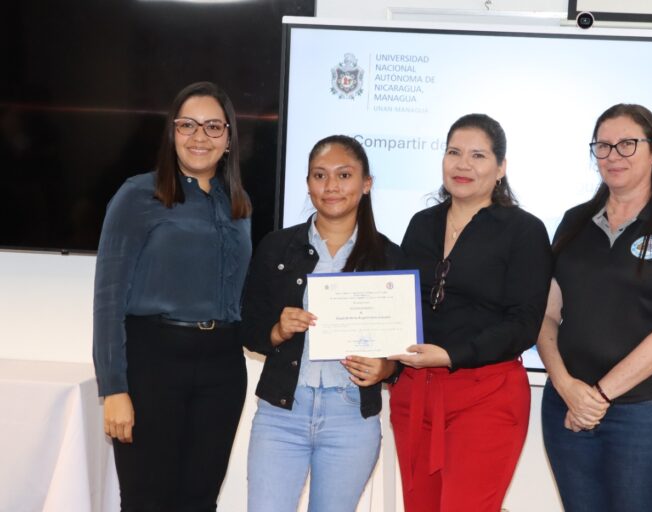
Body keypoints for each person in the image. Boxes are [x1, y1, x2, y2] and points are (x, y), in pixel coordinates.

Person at [537, 103, 652, 512]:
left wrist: (596, 397)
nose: (613, 156)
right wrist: (565, 385)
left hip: (649, 415)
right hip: (567, 407)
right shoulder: (574, 222)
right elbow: (544, 316)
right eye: (603, 146)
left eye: (627, 144)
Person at [92, 81, 252, 511]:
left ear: (229, 138)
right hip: (152, 365)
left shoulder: (239, 205)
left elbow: (239, 296)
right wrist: (114, 388)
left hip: (222, 369)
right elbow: (108, 298)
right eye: (188, 125)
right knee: (147, 501)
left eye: (213, 127)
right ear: (172, 133)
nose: (200, 137)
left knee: (200, 502)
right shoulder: (137, 195)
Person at [388, 113, 552, 512]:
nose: (463, 164)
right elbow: (399, 304)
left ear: (501, 168)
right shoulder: (421, 224)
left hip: (487, 396)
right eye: (453, 152)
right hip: (415, 393)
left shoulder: (524, 230)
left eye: (478, 155)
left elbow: (524, 324)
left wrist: (450, 355)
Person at [239, 135, 404, 512]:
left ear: (366, 184)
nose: (331, 187)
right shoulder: (277, 247)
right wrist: (276, 331)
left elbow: (402, 346)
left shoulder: (388, 257)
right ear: (309, 183)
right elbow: (249, 329)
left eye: (344, 175)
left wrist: (385, 368)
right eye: (319, 175)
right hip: (282, 414)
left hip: (350, 418)